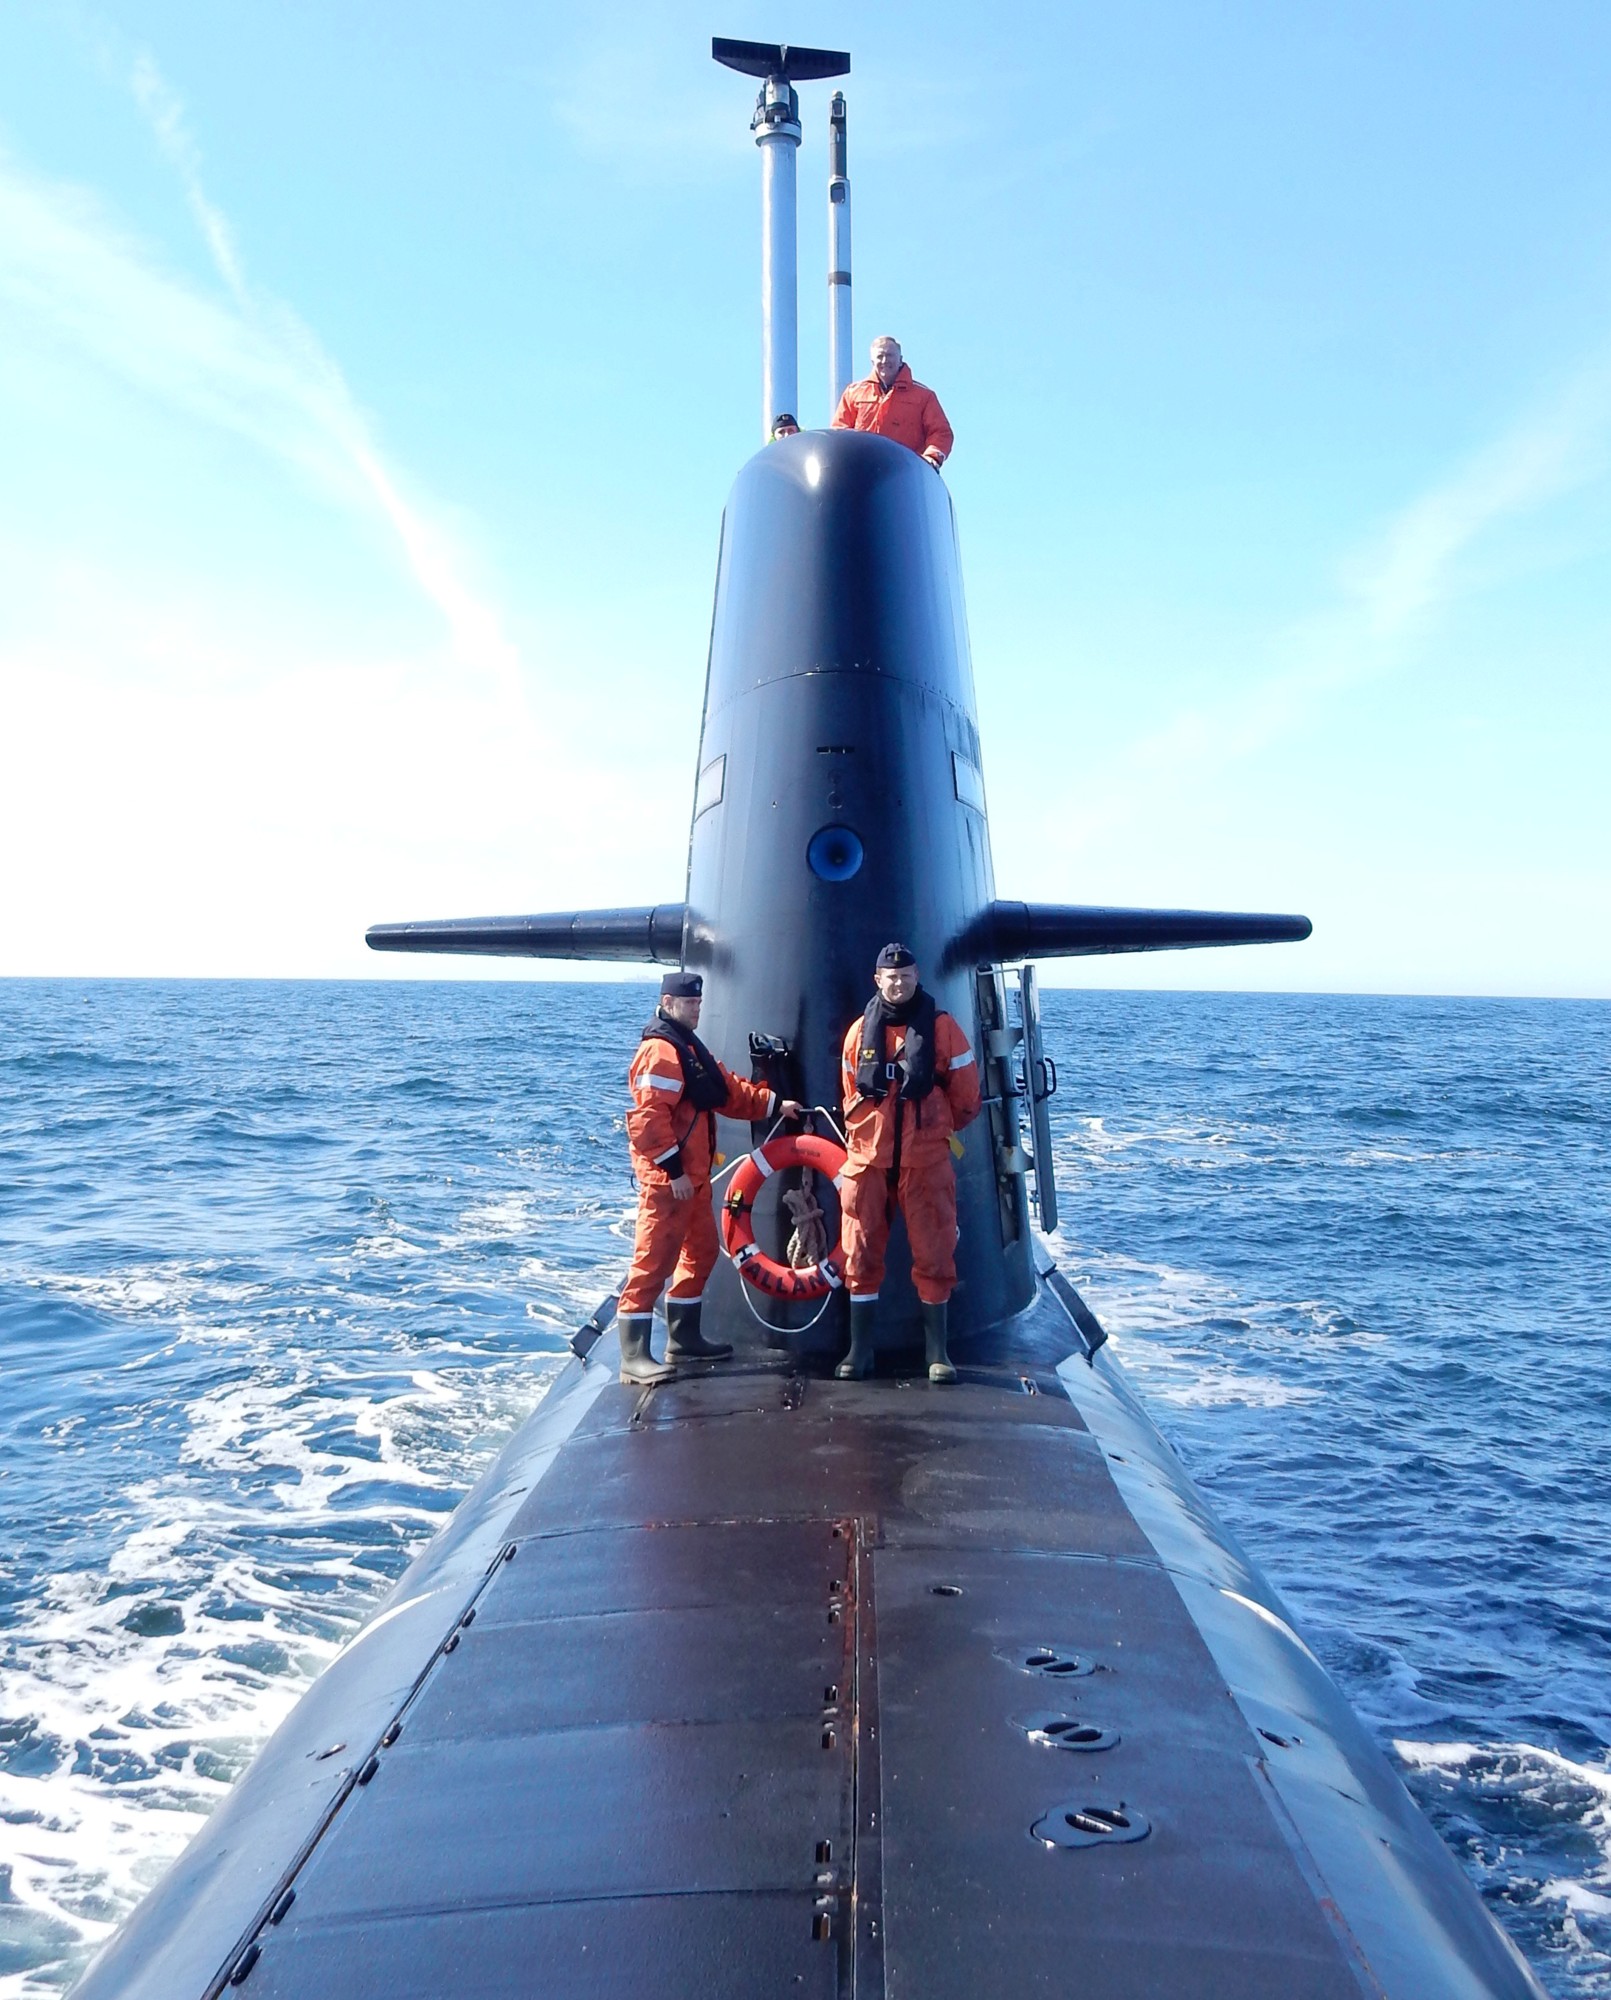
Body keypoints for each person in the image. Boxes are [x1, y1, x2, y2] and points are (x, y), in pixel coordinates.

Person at [620, 971, 803, 1385]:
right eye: (689, 1003)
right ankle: (632, 1357)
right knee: (652, 1263)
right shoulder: (661, 1052)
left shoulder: (687, 1047)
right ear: (668, 1004)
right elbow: (648, 1121)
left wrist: (776, 1104)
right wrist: (674, 1171)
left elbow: (727, 1090)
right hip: (671, 1182)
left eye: (699, 1003)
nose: (697, 1008)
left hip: (695, 1178)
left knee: (700, 1252)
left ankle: (683, 1339)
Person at [836, 944, 980, 1383]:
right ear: (877, 980)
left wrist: (934, 1130)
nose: (898, 984)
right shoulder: (861, 1032)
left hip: (926, 1159)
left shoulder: (942, 1029)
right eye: (890, 977)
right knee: (859, 1254)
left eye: (905, 976)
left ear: (917, 976)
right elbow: (849, 1088)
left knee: (935, 1253)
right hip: (870, 1159)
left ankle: (937, 1352)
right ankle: (860, 1351)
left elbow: (966, 1096)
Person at [830, 336, 953, 469]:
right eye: (880, 356)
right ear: (872, 361)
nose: (884, 360)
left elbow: (941, 432)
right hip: (863, 471)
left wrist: (931, 457)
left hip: (905, 472)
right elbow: (840, 433)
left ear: (900, 360)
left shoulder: (924, 396)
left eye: (890, 355)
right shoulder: (853, 393)